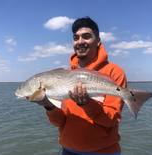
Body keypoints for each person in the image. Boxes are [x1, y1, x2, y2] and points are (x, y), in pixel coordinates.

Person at [31, 17, 127, 155]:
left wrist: (88, 104)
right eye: (76, 38)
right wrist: (48, 105)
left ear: (98, 41)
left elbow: (111, 119)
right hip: (68, 150)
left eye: (86, 37)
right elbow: (59, 122)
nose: (80, 42)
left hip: (104, 152)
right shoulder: (65, 76)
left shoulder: (114, 72)